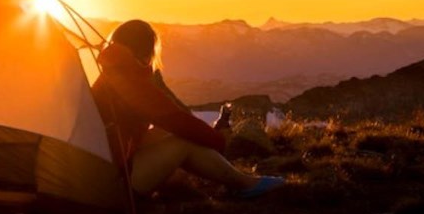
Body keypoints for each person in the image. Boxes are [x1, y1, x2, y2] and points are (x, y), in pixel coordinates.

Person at [91, 19, 285, 198]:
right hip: (109, 185)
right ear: (144, 51)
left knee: (169, 134)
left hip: (97, 171)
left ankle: (234, 179)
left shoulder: (113, 71)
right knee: (183, 141)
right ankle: (243, 184)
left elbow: (166, 122)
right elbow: (176, 120)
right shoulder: (127, 79)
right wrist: (218, 140)